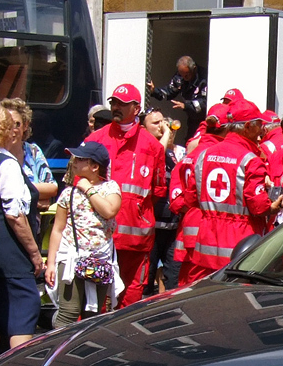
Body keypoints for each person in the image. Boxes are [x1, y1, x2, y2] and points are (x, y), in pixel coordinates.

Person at [83, 83, 167, 307]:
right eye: (113, 103)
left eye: (122, 104)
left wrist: (136, 212)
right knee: (95, 299)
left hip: (135, 239)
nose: (116, 107)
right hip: (99, 237)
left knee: (130, 299)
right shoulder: (95, 141)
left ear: (136, 108)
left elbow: (157, 190)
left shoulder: (153, 147)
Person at [186, 99, 281, 283]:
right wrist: (274, 206)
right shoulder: (251, 160)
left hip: (204, 246)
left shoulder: (203, 155)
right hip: (240, 248)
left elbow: (190, 199)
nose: (263, 130)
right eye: (259, 124)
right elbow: (258, 207)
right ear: (247, 127)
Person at [0, 105, 44, 366]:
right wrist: (35, 253)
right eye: (12, 125)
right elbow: (15, 214)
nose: (17, 129)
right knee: (23, 313)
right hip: (12, 256)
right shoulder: (5, 163)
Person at [44, 142, 122, 326]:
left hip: (100, 259)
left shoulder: (111, 188)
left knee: (93, 316)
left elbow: (109, 211)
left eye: (80, 159)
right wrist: (51, 263)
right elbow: (58, 229)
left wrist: (87, 188)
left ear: (94, 166)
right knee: (68, 313)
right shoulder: (68, 193)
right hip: (71, 258)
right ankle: (59, 351)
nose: (74, 162)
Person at [170, 103, 227, 286]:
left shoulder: (191, 156)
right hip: (209, 232)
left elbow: (176, 198)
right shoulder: (220, 157)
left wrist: (187, 207)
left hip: (187, 227)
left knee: (185, 285)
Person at [1, 97, 58, 239]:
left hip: (32, 229)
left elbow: (52, 188)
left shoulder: (33, 151)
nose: (12, 130)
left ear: (25, 126)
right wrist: (34, 198)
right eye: (6, 124)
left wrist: (24, 194)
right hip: (3, 228)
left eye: (16, 124)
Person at [142, 108, 185, 295]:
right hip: (152, 227)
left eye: (163, 122)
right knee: (146, 278)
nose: (162, 126)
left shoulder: (175, 154)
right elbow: (156, 155)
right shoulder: (147, 148)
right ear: (144, 129)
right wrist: (167, 133)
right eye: (156, 123)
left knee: (173, 279)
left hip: (173, 226)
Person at [147, 55, 208, 136]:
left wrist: (186, 105)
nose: (184, 78)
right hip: (192, 119)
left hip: (205, 118)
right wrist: (154, 91)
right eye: (181, 75)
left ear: (194, 69)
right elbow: (169, 91)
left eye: (186, 75)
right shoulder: (180, 77)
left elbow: (206, 103)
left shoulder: (205, 78)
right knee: (190, 141)